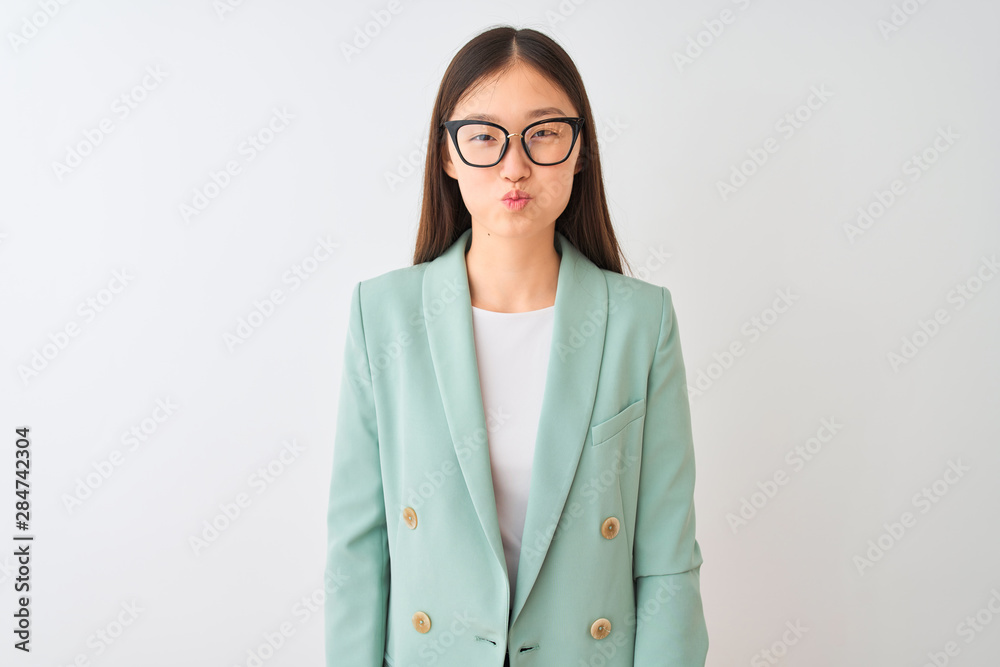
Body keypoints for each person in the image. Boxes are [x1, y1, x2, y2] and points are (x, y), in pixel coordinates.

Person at [325, 25, 708, 667]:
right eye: (483, 136)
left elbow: (668, 561)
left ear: (580, 149)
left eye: (544, 132)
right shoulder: (382, 316)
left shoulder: (642, 322)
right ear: (447, 155)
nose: (514, 165)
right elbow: (357, 551)